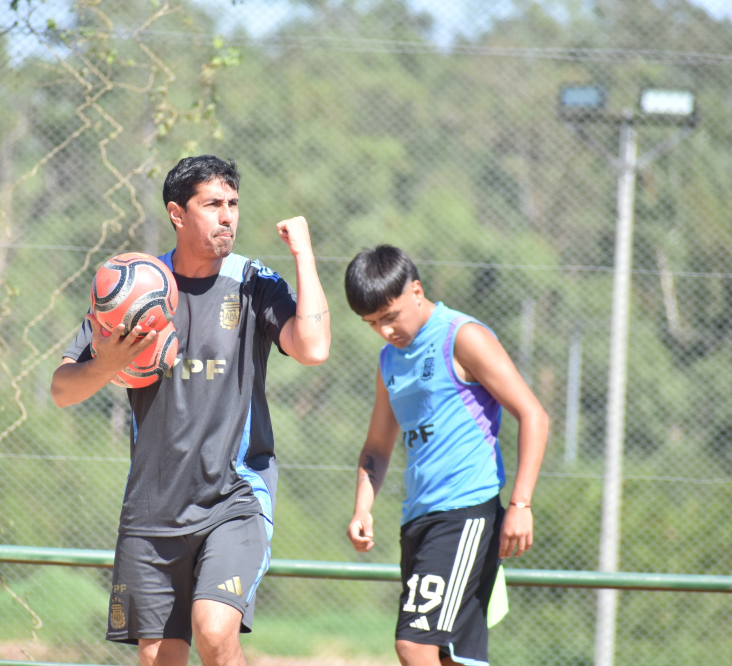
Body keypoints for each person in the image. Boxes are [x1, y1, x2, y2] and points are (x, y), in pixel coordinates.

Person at [50, 155, 331, 666]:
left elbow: (313, 348)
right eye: (213, 204)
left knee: (214, 630)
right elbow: (62, 390)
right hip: (152, 509)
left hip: (233, 497)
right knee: (158, 657)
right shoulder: (135, 285)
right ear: (177, 214)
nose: (227, 216)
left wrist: (304, 254)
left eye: (233, 204)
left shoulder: (252, 282)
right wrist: (105, 364)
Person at [343, 244, 547, 666]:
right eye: (372, 323)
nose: (385, 331)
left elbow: (534, 415)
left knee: (413, 644)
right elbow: (377, 447)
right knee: (448, 656)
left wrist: (521, 504)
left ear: (416, 291)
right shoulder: (389, 360)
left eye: (391, 316)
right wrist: (362, 508)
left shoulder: (462, 337)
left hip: (464, 513)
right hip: (418, 519)